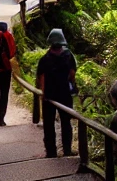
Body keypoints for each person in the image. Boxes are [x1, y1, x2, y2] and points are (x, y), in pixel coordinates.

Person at [35, 28, 77, 158]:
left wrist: (43, 93)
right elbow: (72, 74)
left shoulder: (44, 59)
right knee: (66, 123)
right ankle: (67, 150)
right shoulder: (69, 56)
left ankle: (51, 152)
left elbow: (41, 78)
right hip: (65, 94)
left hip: (49, 96)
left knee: (49, 124)